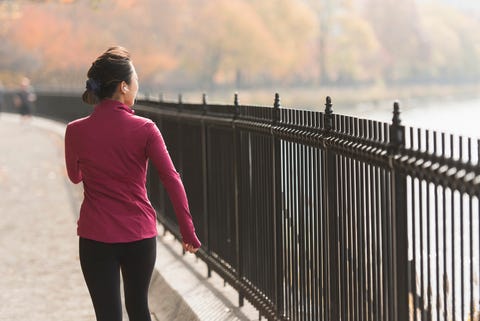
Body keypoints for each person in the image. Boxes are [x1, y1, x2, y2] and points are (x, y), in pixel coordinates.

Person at [64, 46, 201, 321]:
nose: (138, 84)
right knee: (138, 308)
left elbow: (75, 176)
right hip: (138, 235)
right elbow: (171, 179)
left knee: (107, 315)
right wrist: (188, 232)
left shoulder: (75, 130)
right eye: (136, 78)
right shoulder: (146, 128)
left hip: (95, 237)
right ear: (124, 87)